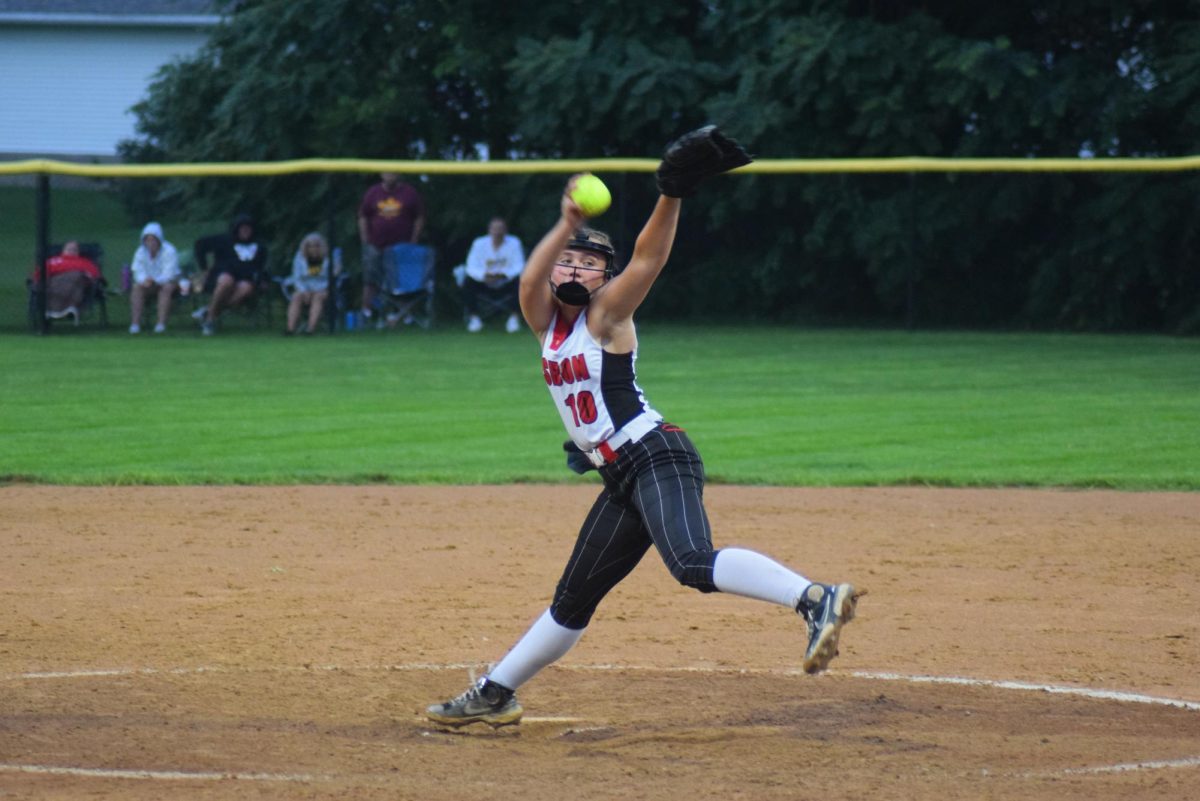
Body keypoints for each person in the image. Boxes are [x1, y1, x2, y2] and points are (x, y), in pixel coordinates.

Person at [426, 127, 860, 729]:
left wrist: (671, 193)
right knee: (572, 601)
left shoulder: (606, 316)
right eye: (569, 259)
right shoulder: (545, 321)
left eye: (592, 262)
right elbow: (528, 283)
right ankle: (497, 692)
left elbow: (649, 258)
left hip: (657, 455)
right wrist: (565, 223)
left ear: (605, 278)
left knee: (690, 562)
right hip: (620, 476)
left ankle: (814, 598)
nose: (577, 267)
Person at [357, 172, 425, 325]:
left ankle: (403, 313)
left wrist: (414, 239)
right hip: (376, 245)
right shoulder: (373, 192)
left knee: (400, 281)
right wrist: (365, 239)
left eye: (393, 173)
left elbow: (419, 216)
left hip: (401, 247)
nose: (390, 176)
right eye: (387, 173)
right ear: (381, 175)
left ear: (399, 174)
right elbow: (363, 215)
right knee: (370, 279)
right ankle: (366, 312)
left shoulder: (409, 193)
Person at [192, 213, 269, 336]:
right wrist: (204, 269)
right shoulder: (225, 240)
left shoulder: (259, 246)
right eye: (242, 228)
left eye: (248, 228)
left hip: (245, 279)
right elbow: (200, 245)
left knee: (246, 288)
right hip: (222, 276)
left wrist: (262, 280)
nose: (245, 231)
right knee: (227, 281)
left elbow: (260, 267)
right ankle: (210, 318)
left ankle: (209, 314)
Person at [462, 216, 525, 334]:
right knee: (468, 281)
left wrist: (504, 275)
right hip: (484, 283)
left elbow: (519, 265)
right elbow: (471, 266)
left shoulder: (514, 243)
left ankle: (514, 318)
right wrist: (484, 276)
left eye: (500, 228)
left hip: (506, 282)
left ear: (505, 230)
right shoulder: (479, 243)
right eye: (494, 229)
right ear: (489, 230)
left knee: (522, 282)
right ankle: (474, 318)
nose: (497, 232)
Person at [32, 240, 103, 323]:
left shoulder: (86, 263)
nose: (71, 251)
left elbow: (95, 276)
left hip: (76, 282)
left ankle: (58, 308)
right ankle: (60, 308)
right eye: (69, 249)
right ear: (63, 250)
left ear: (78, 252)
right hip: (53, 281)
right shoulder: (52, 261)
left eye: (74, 249)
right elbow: (38, 275)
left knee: (76, 275)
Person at [128, 221, 181, 334]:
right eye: (147, 239)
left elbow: (169, 273)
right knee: (137, 288)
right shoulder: (140, 252)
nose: (150, 243)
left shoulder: (169, 251)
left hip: (169, 282)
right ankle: (135, 324)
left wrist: (156, 280)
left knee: (166, 289)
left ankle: (161, 324)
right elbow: (137, 271)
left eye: (153, 239)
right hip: (148, 284)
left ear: (159, 239)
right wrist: (143, 280)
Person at [285, 232, 331, 335]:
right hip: (304, 288)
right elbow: (296, 277)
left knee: (318, 297)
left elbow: (330, 278)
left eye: (316, 245)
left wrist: (319, 290)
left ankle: (310, 329)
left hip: (322, 288)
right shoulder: (299, 258)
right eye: (310, 246)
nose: (313, 248)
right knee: (296, 296)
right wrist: (304, 291)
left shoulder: (328, 258)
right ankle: (290, 329)